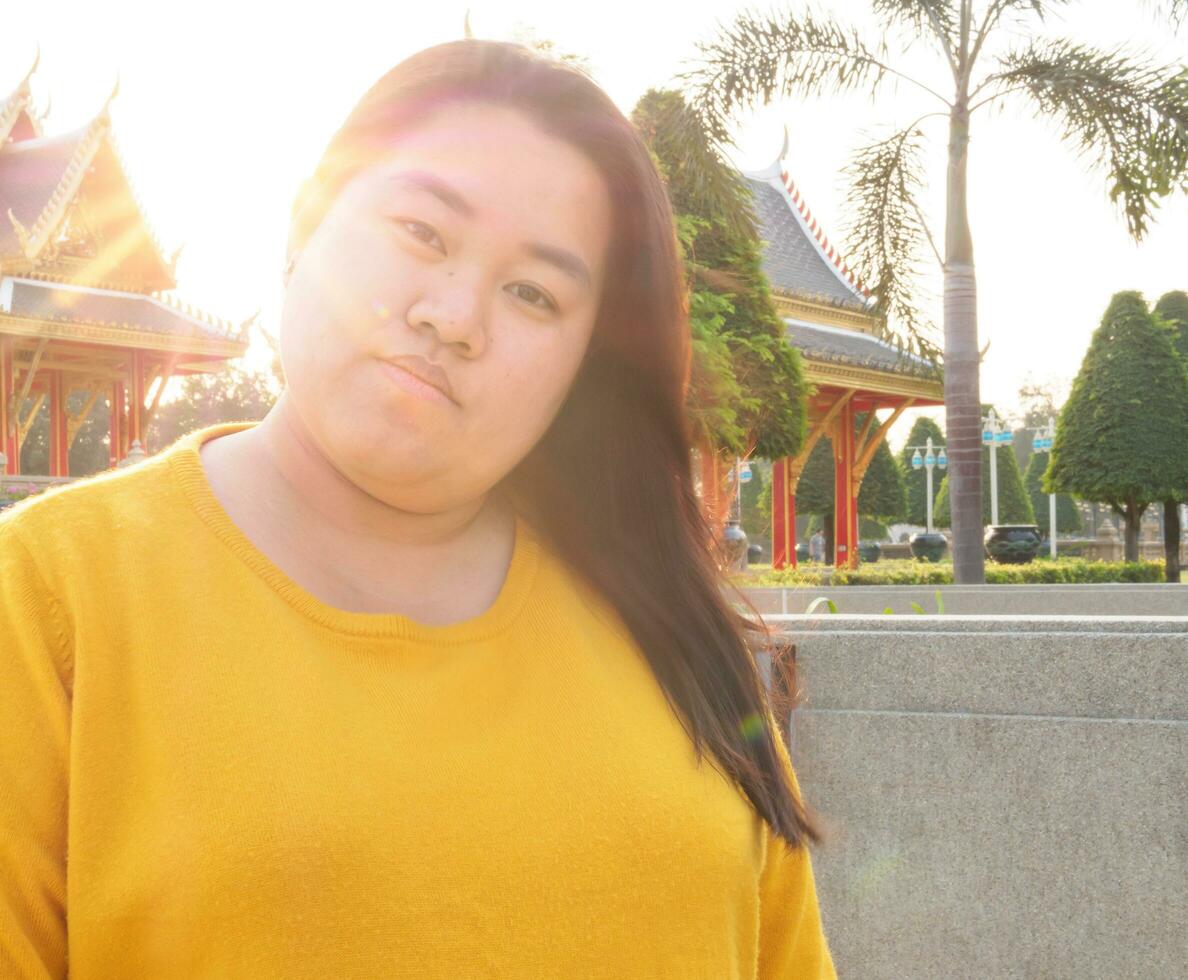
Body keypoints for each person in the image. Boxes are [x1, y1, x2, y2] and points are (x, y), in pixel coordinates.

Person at [0, 40, 835, 978]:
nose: (453, 314)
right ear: (305, 222)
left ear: (582, 370)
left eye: (533, 292)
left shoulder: (678, 639)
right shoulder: (48, 599)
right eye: (421, 233)